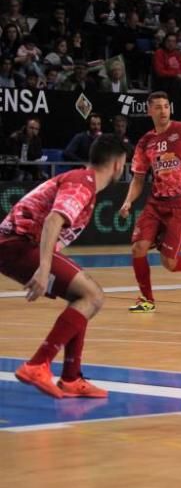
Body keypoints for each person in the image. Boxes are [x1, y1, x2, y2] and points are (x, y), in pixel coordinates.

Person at [7, 135, 129, 399]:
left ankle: (71, 377)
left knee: (81, 296)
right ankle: (38, 364)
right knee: (93, 295)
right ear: (119, 164)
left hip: (16, 244)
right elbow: (53, 220)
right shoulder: (83, 182)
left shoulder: (84, 181)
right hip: (18, 243)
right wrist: (43, 267)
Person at [118, 91, 181, 313]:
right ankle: (147, 299)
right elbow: (138, 178)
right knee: (138, 248)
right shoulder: (145, 141)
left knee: (169, 263)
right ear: (149, 111)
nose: (163, 110)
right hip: (155, 204)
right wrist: (127, 202)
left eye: (166, 106)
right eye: (158, 107)